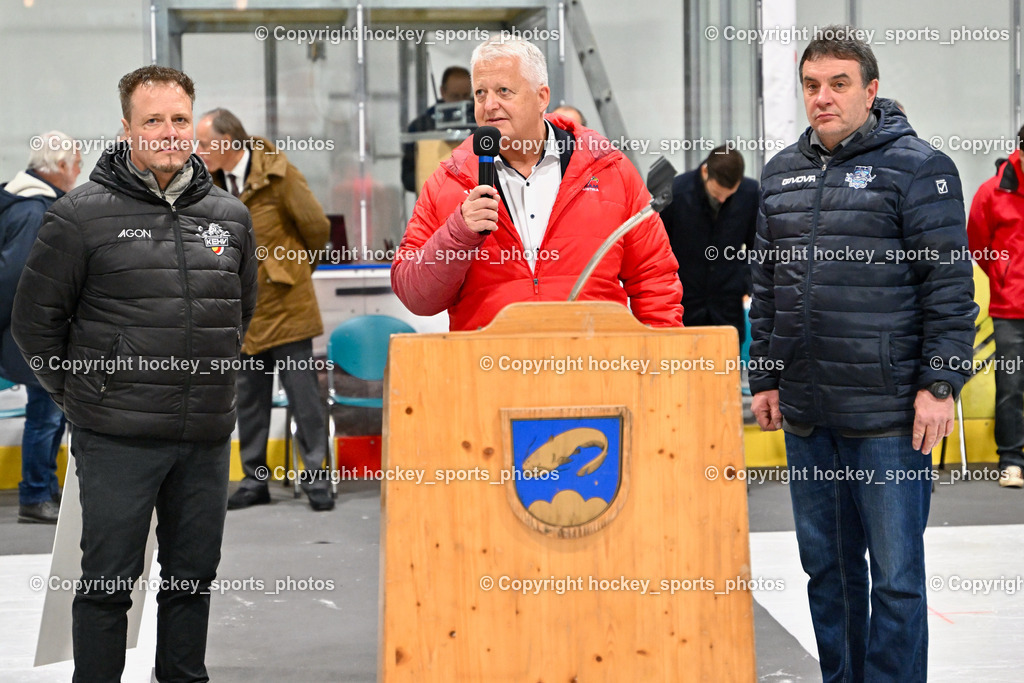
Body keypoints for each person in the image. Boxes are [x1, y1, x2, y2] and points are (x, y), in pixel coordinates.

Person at [12, 65, 257, 681]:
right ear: (127, 128)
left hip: (202, 437)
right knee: (106, 587)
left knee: (191, 582)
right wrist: (84, 399)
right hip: (115, 437)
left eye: (180, 120)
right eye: (154, 121)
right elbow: (34, 325)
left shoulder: (229, 216)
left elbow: (242, 310)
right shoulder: (80, 216)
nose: (169, 133)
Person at [748, 26, 977, 682]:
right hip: (809, 414)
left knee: (897, 578)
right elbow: (767, 288)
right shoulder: (782, 174)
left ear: (871, 90)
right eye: (812, 85)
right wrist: (766, 375)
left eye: (839, 84)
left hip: (889, 417)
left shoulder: (920, 169)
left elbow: (949, 287)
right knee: (828, 572)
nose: (823, 98)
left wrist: (940, 383)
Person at [393, 38, 682, 330]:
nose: (489, 105)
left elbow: (654, 278)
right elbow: (415, 296)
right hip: (488, 370)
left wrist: (664, 364)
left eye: (503, 91)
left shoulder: (608, 170)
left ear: (541, 97)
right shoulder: (450, 181)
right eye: (480, 93)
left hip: (594, 369)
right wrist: (459, 234)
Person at [196, 108, 334, 512]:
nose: (199, 151)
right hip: (242, 311)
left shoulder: (279, 175)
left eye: (205, 144)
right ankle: (255, 481)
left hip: (287, 307)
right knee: (249, 401)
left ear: (226, 142)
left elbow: (317, 229)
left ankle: (316, 479)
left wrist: (288, 270)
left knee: (304, 400)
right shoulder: (210, 184)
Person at [0, 131, 80, 524]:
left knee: (48, 413)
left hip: (34, 333)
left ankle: (44, 488)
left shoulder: (26, 202)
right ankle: (35, 494)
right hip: (34, 335)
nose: (79, 172)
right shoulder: (33, 211)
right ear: (61, 166)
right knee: (46, 415)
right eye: (77, 163)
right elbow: (16, 279)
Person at [967, 124, 1024, 488]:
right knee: (1012, 386)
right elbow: (978, 245)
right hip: (1010, 307)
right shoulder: (991, 193)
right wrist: (1004, 276)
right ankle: (1012, 460)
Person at [659, 146, 757, 341]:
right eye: (717, 193)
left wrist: (745, 283)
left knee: (725, 369)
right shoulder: (674, 193)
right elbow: (657, 249)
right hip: (683, 304)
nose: (722, 199)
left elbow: (759, 247)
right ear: (705, 172)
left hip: (728, 306)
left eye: (729, 195)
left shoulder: (750, 193)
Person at [401, 66, 473, 193]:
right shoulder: (421, 127)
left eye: (466, 96)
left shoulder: (481, 122)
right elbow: (408, 179)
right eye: (455, 96)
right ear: (442, 92)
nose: (462, 102)